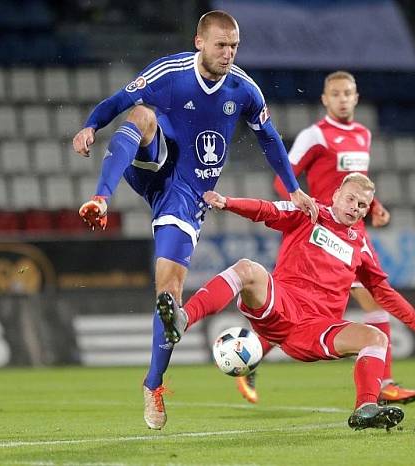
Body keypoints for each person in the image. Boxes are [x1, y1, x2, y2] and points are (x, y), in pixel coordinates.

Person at [70, 10, 318, 430]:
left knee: (169, 295)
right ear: (199, 41)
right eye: (221, 45)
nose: (229, 53)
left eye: (235, 46)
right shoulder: (170, 72)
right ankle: (100, 198)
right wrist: (91, 126)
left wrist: (293, 187)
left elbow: (269, 138)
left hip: (186, 198)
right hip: (155, 161)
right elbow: (118, 100)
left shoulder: (244, 89)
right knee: (141, 116)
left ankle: (153, 385)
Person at [156, 173, 415, 430]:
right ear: (335, 195)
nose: (356, 208)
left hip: (317, 328)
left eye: (363, 205)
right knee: (248, 269)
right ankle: (183, 319)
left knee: (376, 337)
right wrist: (228, 203)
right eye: (351, 199)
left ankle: (366, 409)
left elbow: (384, 292)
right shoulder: (310, 213)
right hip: (282, 304)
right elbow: (268, 210)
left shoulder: (361, 246)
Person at [233, 71, 415, 406]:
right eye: (336, 94)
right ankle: (383, 382)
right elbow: (283, 180)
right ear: (325, 99)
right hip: (318, 232)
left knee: (369, 302)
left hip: (351, 234)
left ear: (356, 97)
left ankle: (383, 382)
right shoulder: (314, 135)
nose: (342, 99)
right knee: (315, 309)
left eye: (348, 93)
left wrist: (373, 206)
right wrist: (313, 208)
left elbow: (358, 182)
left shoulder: (363, 135)